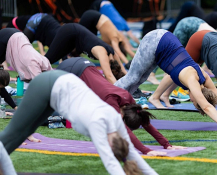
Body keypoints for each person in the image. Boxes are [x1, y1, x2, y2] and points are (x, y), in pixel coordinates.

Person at [0, 70, 158, 175]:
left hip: (59, 91)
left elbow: (133, 157)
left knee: (21, 135)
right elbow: (110, 163)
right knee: (14, 134)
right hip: (48, 85)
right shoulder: (98, 123)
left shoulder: (116, 121)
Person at [115, 29, 217, 130]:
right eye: (194, 101)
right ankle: (107, 96)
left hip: (164, 44)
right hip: (156, 40)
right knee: (133, 77)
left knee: (140, 79)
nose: (191, 100)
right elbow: (207, 106)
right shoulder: (192, 80)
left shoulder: (204, 78)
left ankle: (119, 105)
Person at [57, 57, 186, 156]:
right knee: (53, 107)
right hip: (70, 69)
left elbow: (146, 123)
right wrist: (146, 150)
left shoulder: (127, 99)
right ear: (123, 115)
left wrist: (166, 145)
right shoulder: (111, 100)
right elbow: (123, 130)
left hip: (85, 66)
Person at [44, 23, 123, 84]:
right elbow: (109, 77)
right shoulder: (103, 54)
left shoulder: (114, 55)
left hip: (75, 41)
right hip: (70, 31)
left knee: (61, 61)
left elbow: (124, 73)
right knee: (47, 59)